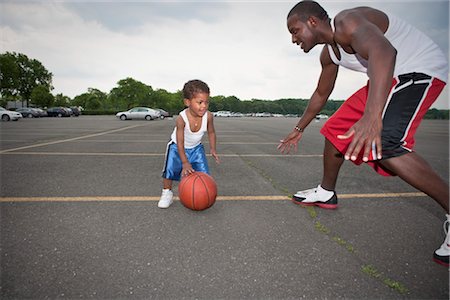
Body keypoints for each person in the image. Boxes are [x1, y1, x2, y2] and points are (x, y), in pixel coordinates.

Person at [277, 0, 449, 267]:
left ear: (312, 21)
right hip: (388, 77)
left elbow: (385, 51)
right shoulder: (329, 54)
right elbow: (321, 94)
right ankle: (326, 191)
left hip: (418, 69)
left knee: (387, 143)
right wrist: (298, 129)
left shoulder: (347, 21)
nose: (293, 39)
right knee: (335, 129)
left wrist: (372, 116)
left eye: (294, 30)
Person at [158, 79, 220, 208]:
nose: (204, 106)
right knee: (170, 171)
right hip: (177, 147)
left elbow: (212, 132)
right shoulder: (182, 118)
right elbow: (180, 142)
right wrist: (185, 162)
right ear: (187, 102)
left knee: (203, 175)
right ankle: (166, 193)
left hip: (196, 148)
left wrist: (213, 149)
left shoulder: (208, 116)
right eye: (199, 102)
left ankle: (203, 194)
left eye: (206, 102)